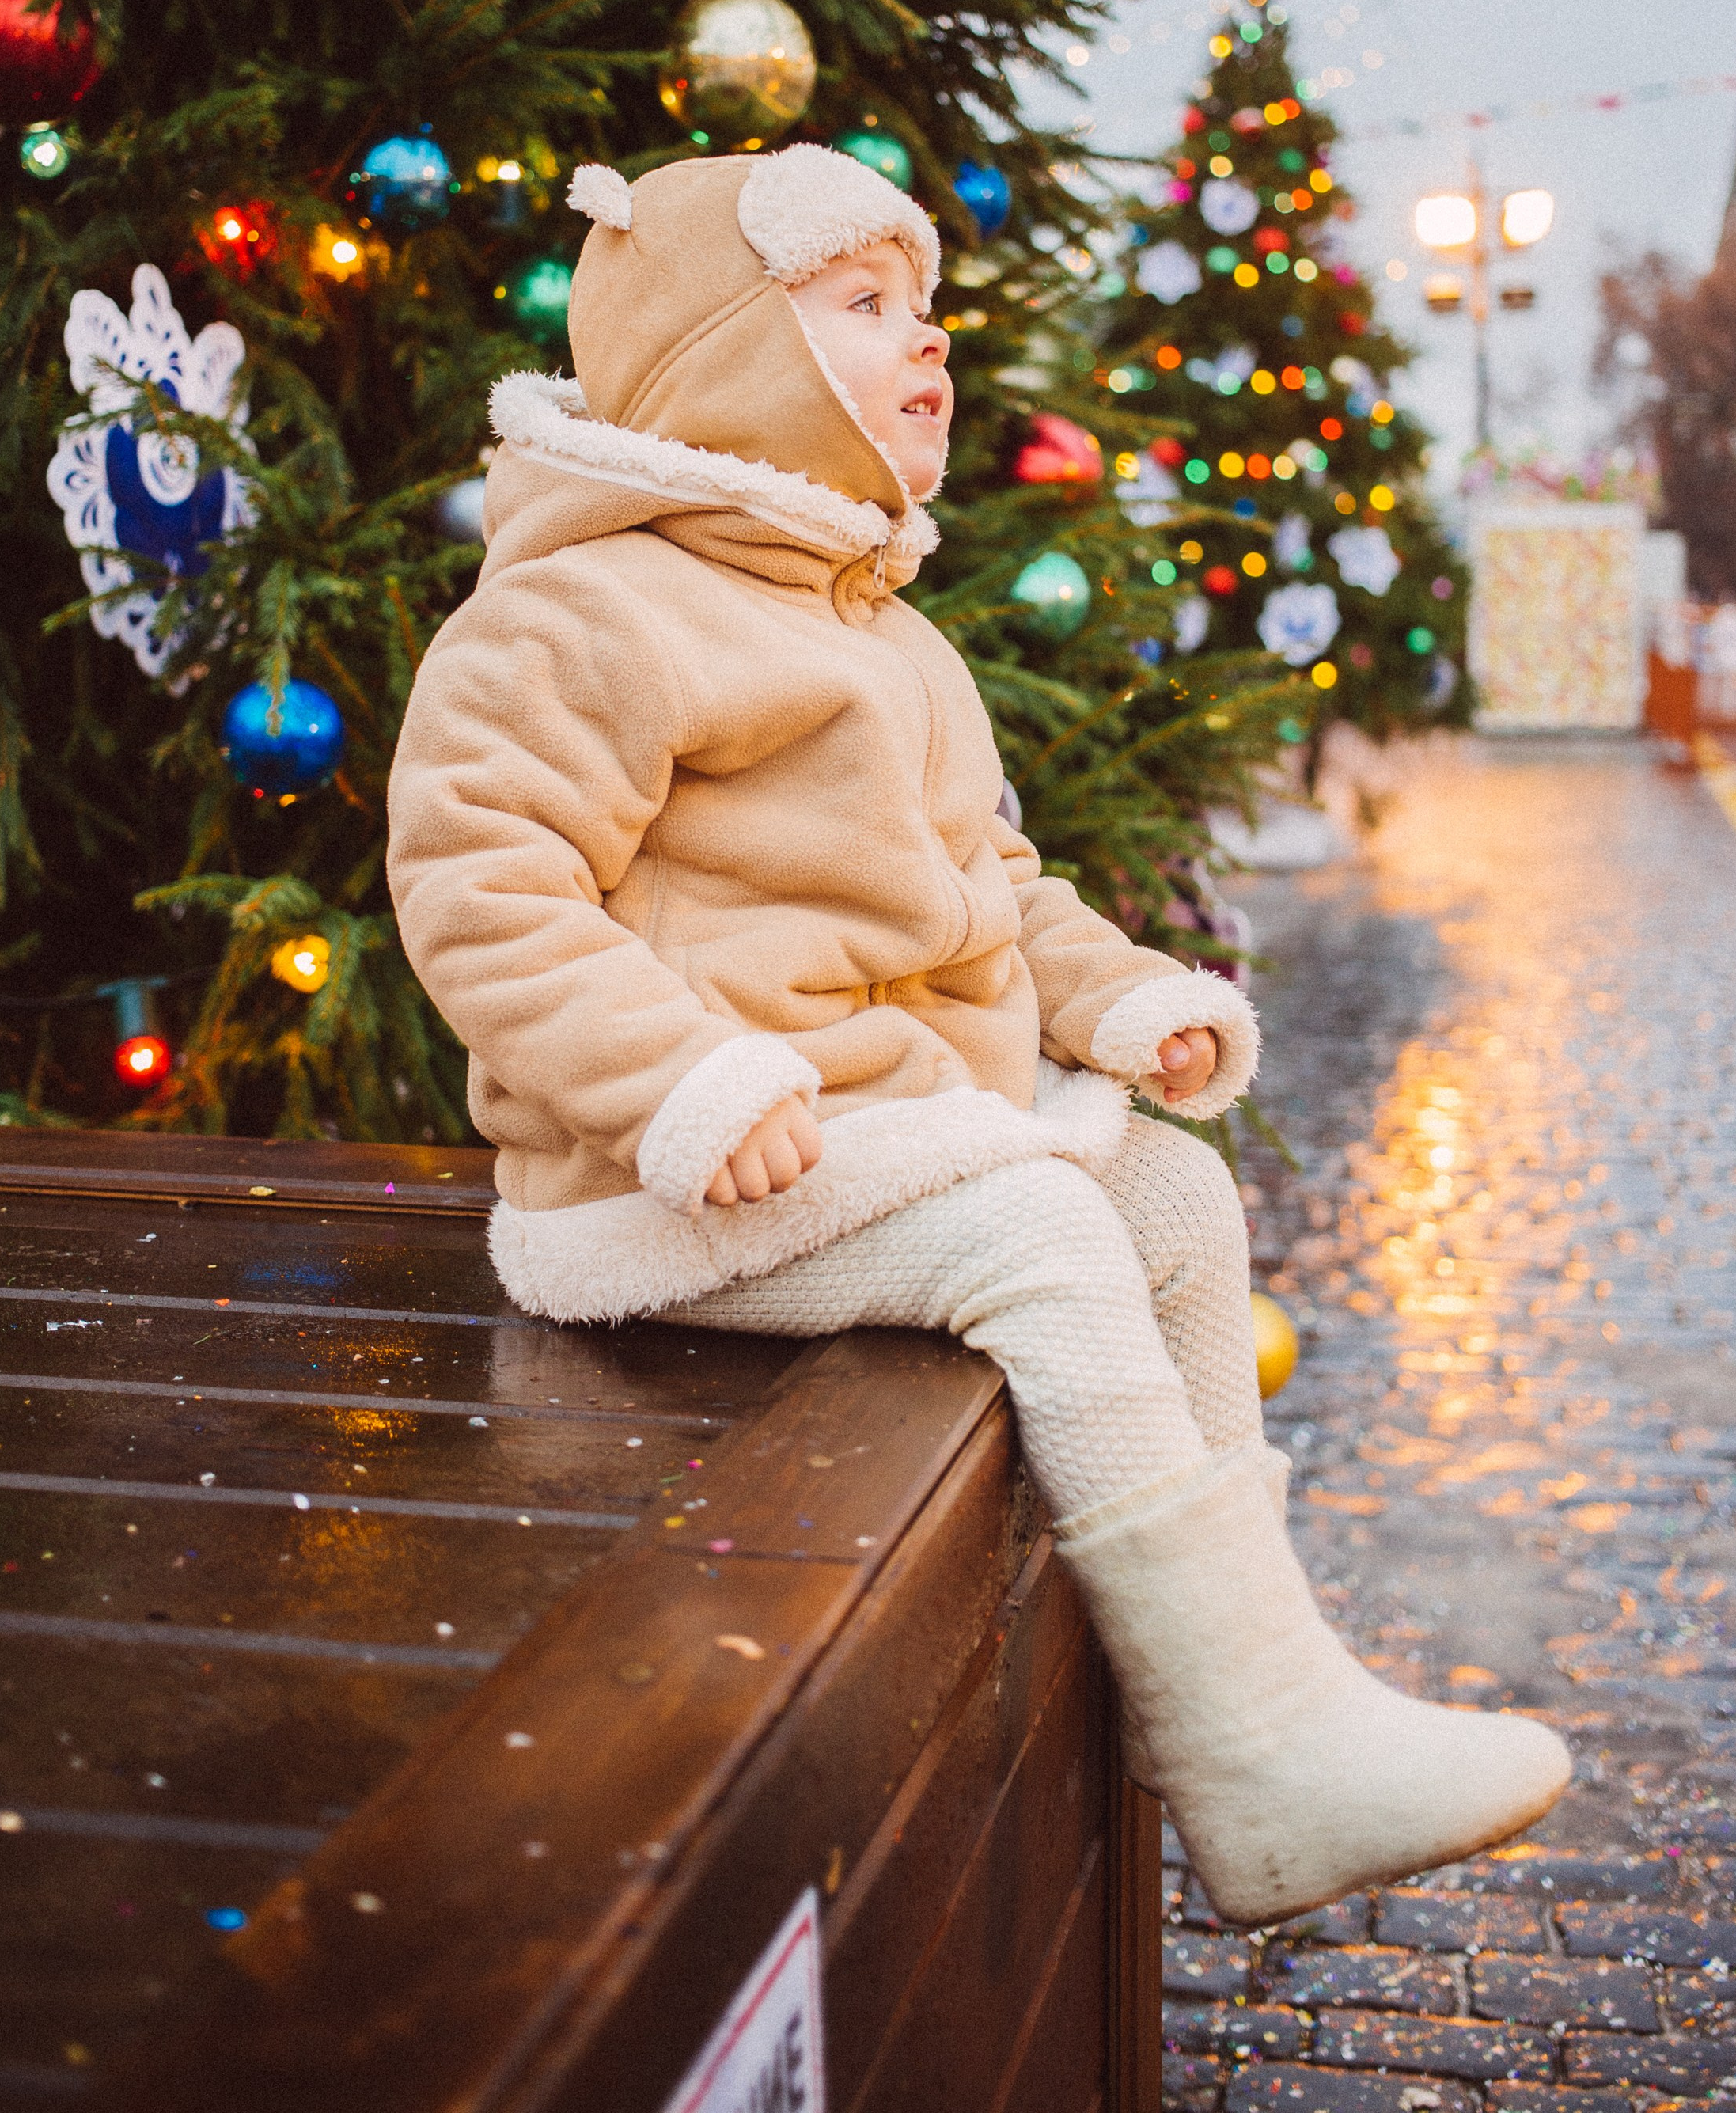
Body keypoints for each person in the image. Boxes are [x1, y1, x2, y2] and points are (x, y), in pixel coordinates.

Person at [387, 147, 1569, 1922]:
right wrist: (681, 1083)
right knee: (1042, 1233)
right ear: (726, 353)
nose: (928, 342)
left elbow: (997, 884)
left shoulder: (890, 636)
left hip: (887, 1132)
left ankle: (1250, 1706)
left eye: (926, 306)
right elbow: (480, 882)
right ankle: (1258, 1744)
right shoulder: (585, 608)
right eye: (863, 305)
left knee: (1174, 1200)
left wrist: (1121, 999)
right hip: (676, 1179)